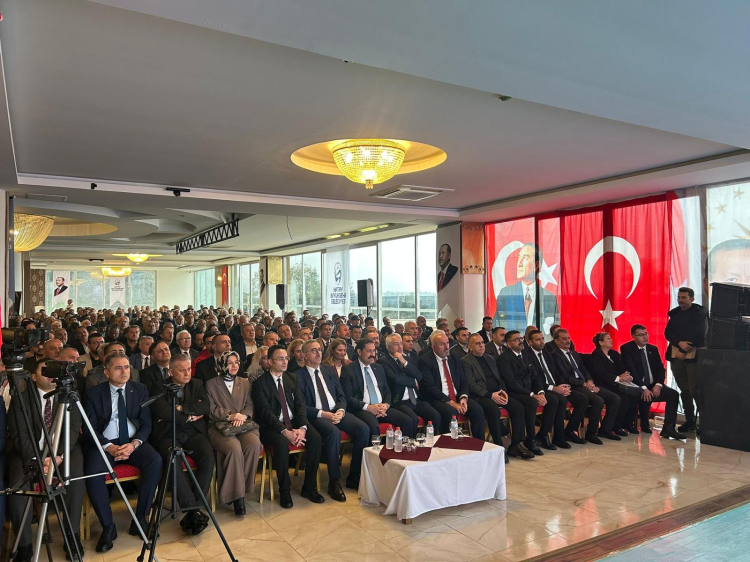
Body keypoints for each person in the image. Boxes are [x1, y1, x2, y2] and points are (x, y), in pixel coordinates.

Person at [7, 361, 85, 562]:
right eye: (45, 370)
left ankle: (72, 536)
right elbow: (20, 435)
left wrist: (58, 457)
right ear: (33, 377)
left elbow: (72, 429)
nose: (51, 374)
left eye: (54, 370)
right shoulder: (22, 399)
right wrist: (37, 460)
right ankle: (24, 545)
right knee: (18, 486)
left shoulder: (69, 396)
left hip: (63, 451)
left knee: (75, 476)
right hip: (28, 454)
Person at [83, 354, 162, 552]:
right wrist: (108, 447)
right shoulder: (93, 394)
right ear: (106, 372)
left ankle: (141, 519)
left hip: (132, 442)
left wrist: (134, 444)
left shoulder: (140, 389)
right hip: (105, 444)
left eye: (127, 367)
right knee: (92, 472)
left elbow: (146, 423)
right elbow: (89, 427)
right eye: (118, 368)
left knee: (155, 461)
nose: (124, 372)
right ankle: (108, 527)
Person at [252, 345, 324, 509]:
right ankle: (284, 490)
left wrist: (303, 428)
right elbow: (265, 412)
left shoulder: (292, 378)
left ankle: (309, 487)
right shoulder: (260, 383)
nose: (285, 362)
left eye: (286, 358)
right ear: (270, 362)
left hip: (294, 422)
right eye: (280, 359)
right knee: (282, 443)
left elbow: (300, 404)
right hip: (271, 427)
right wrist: (285, 431)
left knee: (315, 438)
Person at [296, 340, 369, 500]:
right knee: (333, 433)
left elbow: (341, 395)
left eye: (320, 350)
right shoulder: (298, 376)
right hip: (317, 415)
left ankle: (354, 475)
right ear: (305, 355)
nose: (318, 353)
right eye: (314, 350)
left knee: (363, 429)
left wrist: (341, 410)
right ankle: (334, 481)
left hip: (337, 411)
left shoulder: (329, 370)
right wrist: (324, 414)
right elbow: (300, 406)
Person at [149, 354, 213, 535]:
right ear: (171, 372)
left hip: (193, 433)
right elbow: (162, 411)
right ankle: (193, 509)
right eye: (182, 370)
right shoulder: (159, 386)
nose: (187, 373)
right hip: (168, 434)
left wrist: (181, 408)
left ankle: (194, 506)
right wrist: (190, 415)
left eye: (189, 369)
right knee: (173, 460)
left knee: (208, 457)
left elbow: (205, 407)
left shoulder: (197, 384)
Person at [206, 351, 263, 515]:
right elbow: (210, 409)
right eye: (229, 362)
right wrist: (229, 416)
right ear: (222, 365)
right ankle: (237, 497)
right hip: (219, 425)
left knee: (253, 445)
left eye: (236, 362)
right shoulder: (211, 384)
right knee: (234, 448)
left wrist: (243, 416)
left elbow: (249, 404)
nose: (234, 365)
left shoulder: (244, 382)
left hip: (242, 423)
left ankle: (240, 488)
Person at [462, 335, 534, 460]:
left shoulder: (490, 358)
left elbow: (500, 378)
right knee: (493, 409)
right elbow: (471, 385)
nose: (481, 346)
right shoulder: (466, 361)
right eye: (477, 343)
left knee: (518, 407)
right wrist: (490, 395)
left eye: (482, 343)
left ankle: (516, 444)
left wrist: (503, 391)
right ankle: (498, 446)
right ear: (470, 346)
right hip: (481, 396)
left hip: (497, 393)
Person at [550, 329, 621, 444]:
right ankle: (589, 433)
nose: (568, 341)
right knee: (597, 400)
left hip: (585, 384)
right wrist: (584, 384)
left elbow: (584, 370)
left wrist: (590, 381)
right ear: (557, 341)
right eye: (564, 338)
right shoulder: (555, 355)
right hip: (572, 386)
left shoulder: (574, 353)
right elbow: (564, 376)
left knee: (615, 398)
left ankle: (605, 430)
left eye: (568, 338)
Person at [621, 324, 687, 440]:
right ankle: (639, 424)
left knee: (673, 394)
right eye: (641, 335)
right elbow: (632, 370)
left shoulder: (653, 349)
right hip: (637, 385)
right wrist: (643, 387)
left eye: (646, 334)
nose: (645, 337)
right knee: (640, 395)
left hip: (653, 384)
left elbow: (660, 369)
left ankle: (668, 428)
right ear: (633, 336)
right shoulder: (627, 348)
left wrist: (658, 385)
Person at [341, 339, 416, 439]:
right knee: (373, 426)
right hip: (363, 409)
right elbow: (348, 397)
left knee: (407, 420)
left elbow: (387, 391)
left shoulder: (378, 368)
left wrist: (386, 405)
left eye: (374, 351)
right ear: (359, 352)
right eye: (369, 351)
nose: (373, 354)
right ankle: (375, 449)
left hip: (382, 407)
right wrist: (368, 407)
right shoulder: (348, 370)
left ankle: (404, 448)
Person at [418, 331, 485, 439]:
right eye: (442, 344)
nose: (446, 347)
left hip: (457, 395)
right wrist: (452, 403)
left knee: (477, 410)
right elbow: (429, 387)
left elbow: (463, 381)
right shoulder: (425, 361)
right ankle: (449, 444)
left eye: (447, 343)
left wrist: (463, 398)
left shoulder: (454, 357)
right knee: (451, 413)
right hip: (438, 398)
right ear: (433, 347)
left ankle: (479, 443)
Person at [379, 333, 442, 436]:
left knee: (435, 416)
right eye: (396, 344)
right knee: (412, 419)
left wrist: (404, 362)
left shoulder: (408, 359)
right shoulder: (383, 361)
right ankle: (410, 443)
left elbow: (419, 376)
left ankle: (427, 441)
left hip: (416, 399)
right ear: (388, 347)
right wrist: (413, 382)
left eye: (401, 343)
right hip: (400, 401)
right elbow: (395, 379)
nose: (400, 347)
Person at [496, 331, 547, 456]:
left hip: (528, 390)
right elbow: (511, 382)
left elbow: (535, 376)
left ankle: (537, 437)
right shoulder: (504, 358)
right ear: (509, 344)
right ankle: (529, 439)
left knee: (550, 399)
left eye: (521, 338)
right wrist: (532, 394)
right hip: (513, 391)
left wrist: (540, 392)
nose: (520, 341)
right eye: (517, 339)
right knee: (530, 402)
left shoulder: (525, 354)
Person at [664, 287, 708, 432]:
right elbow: (668, 332)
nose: (680, 300)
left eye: (684, 297)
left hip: (692, 355)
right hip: (676, 355)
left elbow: (700, 334)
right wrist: (679, 343)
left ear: (692, 299)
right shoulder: (675, 313)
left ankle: (705, 423)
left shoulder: (700, 314)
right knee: (684, 390)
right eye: (679, 297)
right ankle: (689, 421)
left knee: (695, 390)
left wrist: (683, 349)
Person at [523, 330, 574, 449]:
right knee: (555, 400)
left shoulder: (547, 354)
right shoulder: (526, 355)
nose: (542, 342)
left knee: (565, 399)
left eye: (542, 338)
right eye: (538, 339)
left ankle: (559, 436)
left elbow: (555, 373)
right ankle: (544, 434)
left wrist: (563, 385)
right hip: (539, 388)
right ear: (530, 342)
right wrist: (553, 388)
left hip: (554, 386)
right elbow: (534, 378)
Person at [494, 243, 559, 332]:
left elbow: (553, 332)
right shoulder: (506, 294)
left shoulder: (549, 298)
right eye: (519, 257)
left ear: (536, 265)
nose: (519, 263)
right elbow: (498, 327)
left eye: (525, 258)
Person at [586, 332, 636, 437]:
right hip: (601, 384)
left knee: (629, 396)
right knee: (619, 398)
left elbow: (622, 368)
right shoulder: (596, 355)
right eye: (608, 338)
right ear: (601, 342)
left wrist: (626, 375)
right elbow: (601, 374)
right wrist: (618, 378)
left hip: (615, 384)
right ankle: (606, 429)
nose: (611, 340)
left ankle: (618, 426)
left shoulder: (614, 354)